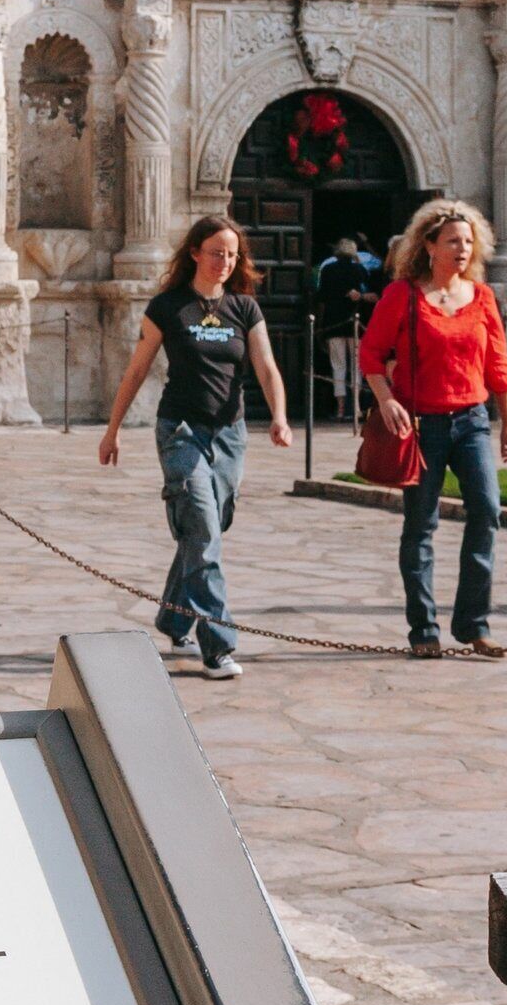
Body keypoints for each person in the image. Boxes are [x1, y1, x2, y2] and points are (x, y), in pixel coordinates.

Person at [97, 216, 296, 680]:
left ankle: (172, 617)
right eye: (215, 252)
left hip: (230, 434)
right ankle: (218, 647)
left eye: (231, 254)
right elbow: (136, 370)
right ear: (194, 253)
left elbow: (266, 368)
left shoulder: (244, 308)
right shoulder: (169, 307)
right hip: (180, 430)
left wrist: (280, 417)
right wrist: (113, 430)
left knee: (206, 529)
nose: (224, 261)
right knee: (204, 530)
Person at [360, 200, 507, 658]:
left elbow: (498, 365)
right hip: (421, 424)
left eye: (469, 241)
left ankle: (474, 623)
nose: (463, 249)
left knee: (487, 511)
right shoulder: (402, 296)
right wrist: (387, 399)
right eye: (453, 240)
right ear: (428, 245)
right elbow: (371, 356)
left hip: (471, 421)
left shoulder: (483, 297)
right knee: (420, 525)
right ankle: (423, 629)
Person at [312, 235, 383, 419]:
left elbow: (322, 299)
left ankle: (341, 408)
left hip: (333, 323)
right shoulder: (359, 270)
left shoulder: (327, 270)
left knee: (338, 366)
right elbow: (371, 295)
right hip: (355, 324)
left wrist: (319, 325)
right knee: (357, 367)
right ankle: (356, 407)